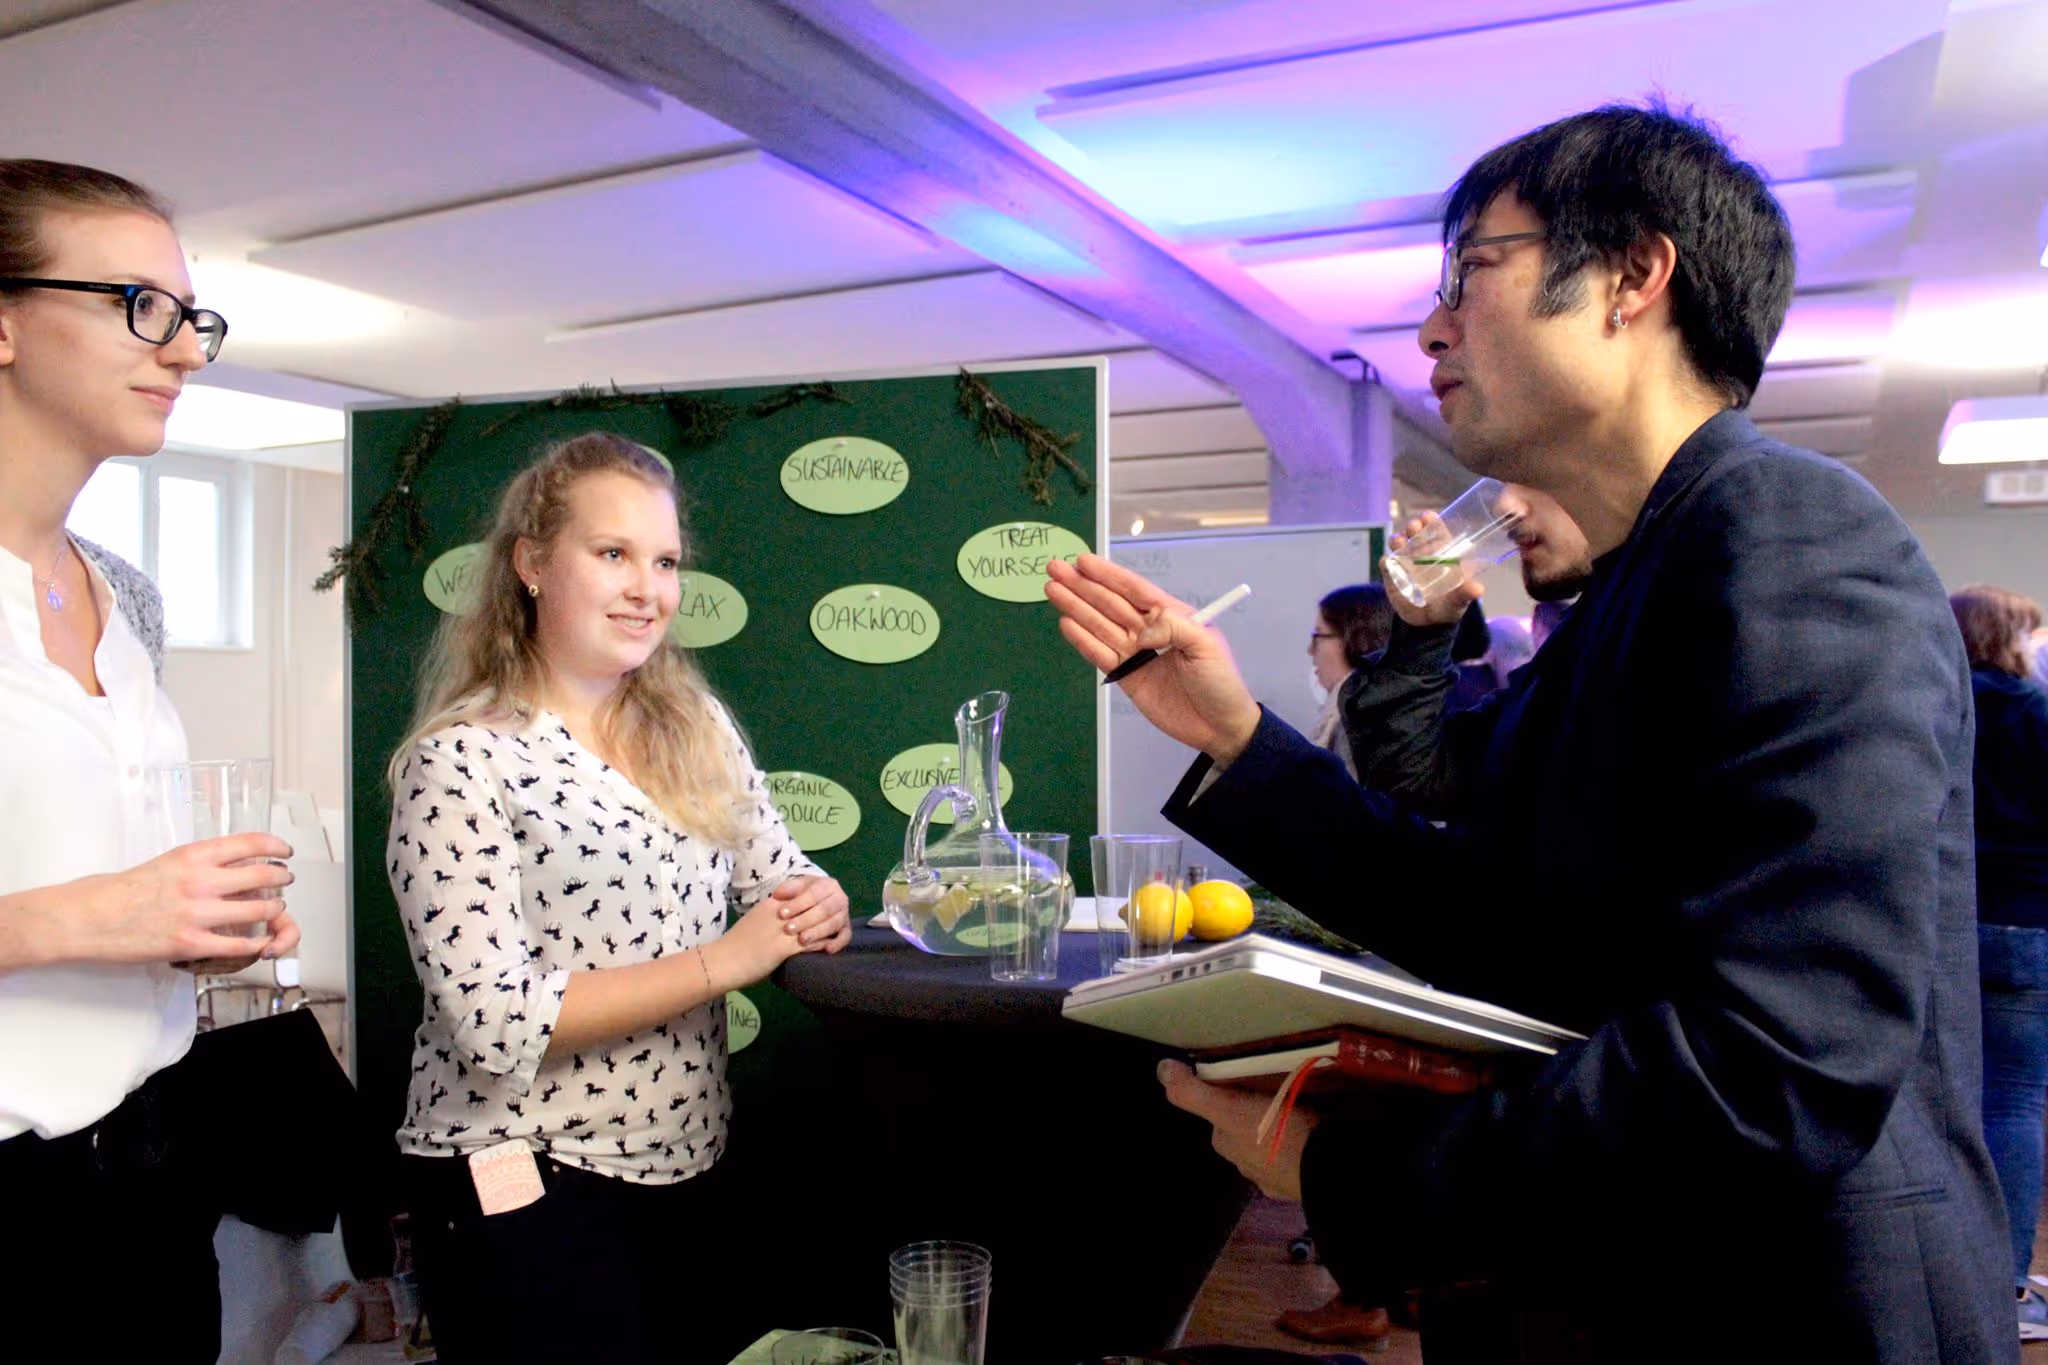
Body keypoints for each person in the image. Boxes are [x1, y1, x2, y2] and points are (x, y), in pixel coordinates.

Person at [1047, 102, 2008, 1362]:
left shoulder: (1786, 539)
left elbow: (1776, 1066)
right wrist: (1237, 739)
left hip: (1766, 1305)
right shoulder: (1629, 589)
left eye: (1472, 272)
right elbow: (1488, 911)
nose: (1431, 327)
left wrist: (1338, 1171)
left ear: (1630, 277)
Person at [385, 432, 852, 1363]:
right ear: (530, 564)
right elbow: (496, 1022)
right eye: (613, 554)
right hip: (526, 1179)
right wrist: (731, 957)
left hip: (689, 1161)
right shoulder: (458, 761)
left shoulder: (694, 723)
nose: (648, 588)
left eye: (665, 561)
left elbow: (778, 874)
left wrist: (818, 895)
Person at [0, 159, 300, 1360]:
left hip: (147, 1165)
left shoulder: (126, 593)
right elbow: (77, 905)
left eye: (191, 319)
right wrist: (93, 915)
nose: (183, 351)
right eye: (139, 305)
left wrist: (183, 918)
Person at [1340, 484, 1593, 817]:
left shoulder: (1662, 612)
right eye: (1503, 479)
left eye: (1535, 474)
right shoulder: (1584, 638)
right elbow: (1417, 784)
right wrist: (1423, 637)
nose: (1504, 505)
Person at [1951, 585, 2048, 1339]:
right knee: (2015, 1102)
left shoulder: (1942, 707)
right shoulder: (2034, 709)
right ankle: (2007, 1289)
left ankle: (1950, 1274)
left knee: (1951, 1100)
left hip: (1947, 925)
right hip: (2027, 924)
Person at [1306, 583, 1394, 778]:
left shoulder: (1360, 721)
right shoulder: (1383, 704)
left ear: (1354, 638)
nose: (1310, 651)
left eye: (1317, 637)